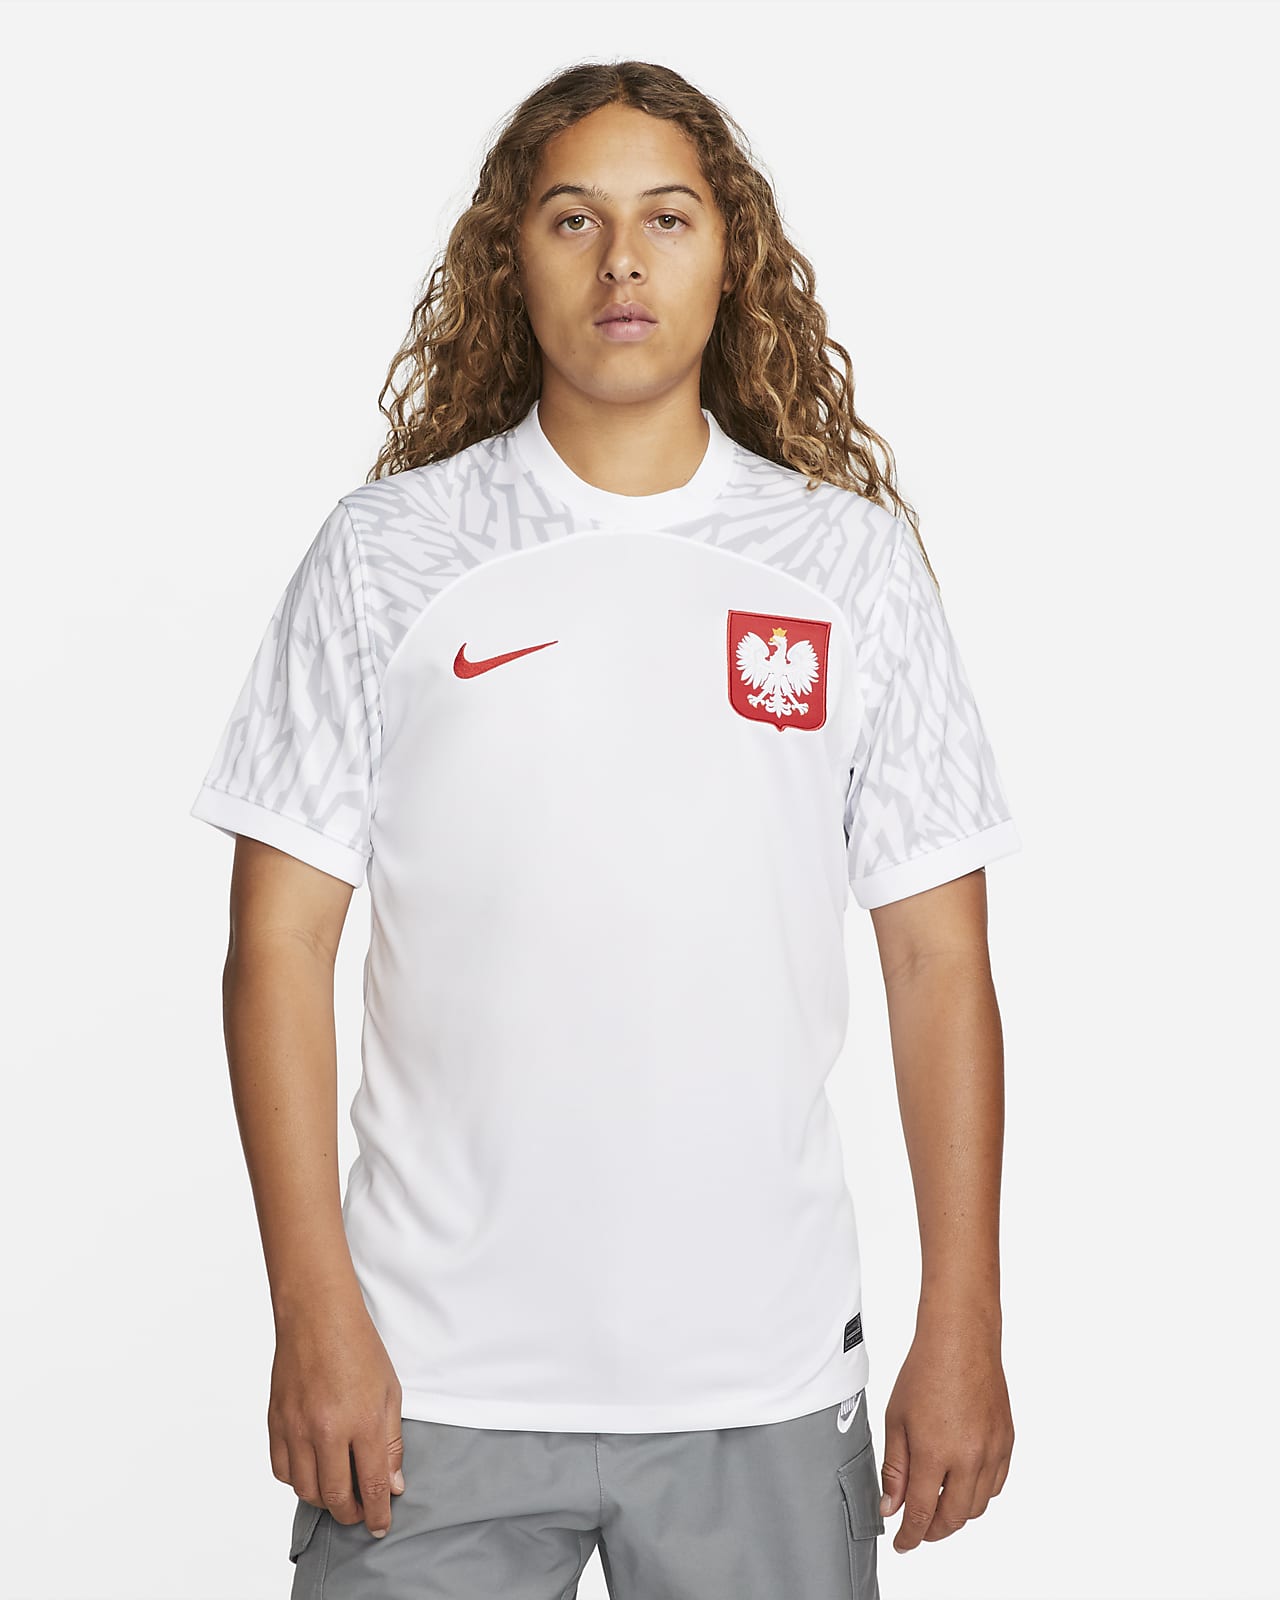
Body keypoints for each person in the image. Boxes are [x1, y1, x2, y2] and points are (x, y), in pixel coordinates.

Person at [190, 60, 1020, 1600]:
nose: (622, 260)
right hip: (425, 1382)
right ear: (511, 260)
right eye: (574, 219)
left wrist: (962, 1321)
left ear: (732, 255)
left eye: (668, 218)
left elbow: (936, 963)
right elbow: (278, 946)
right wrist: (312, 1315)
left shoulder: (848, 567)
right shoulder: (388, 556)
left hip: (764, 1377)